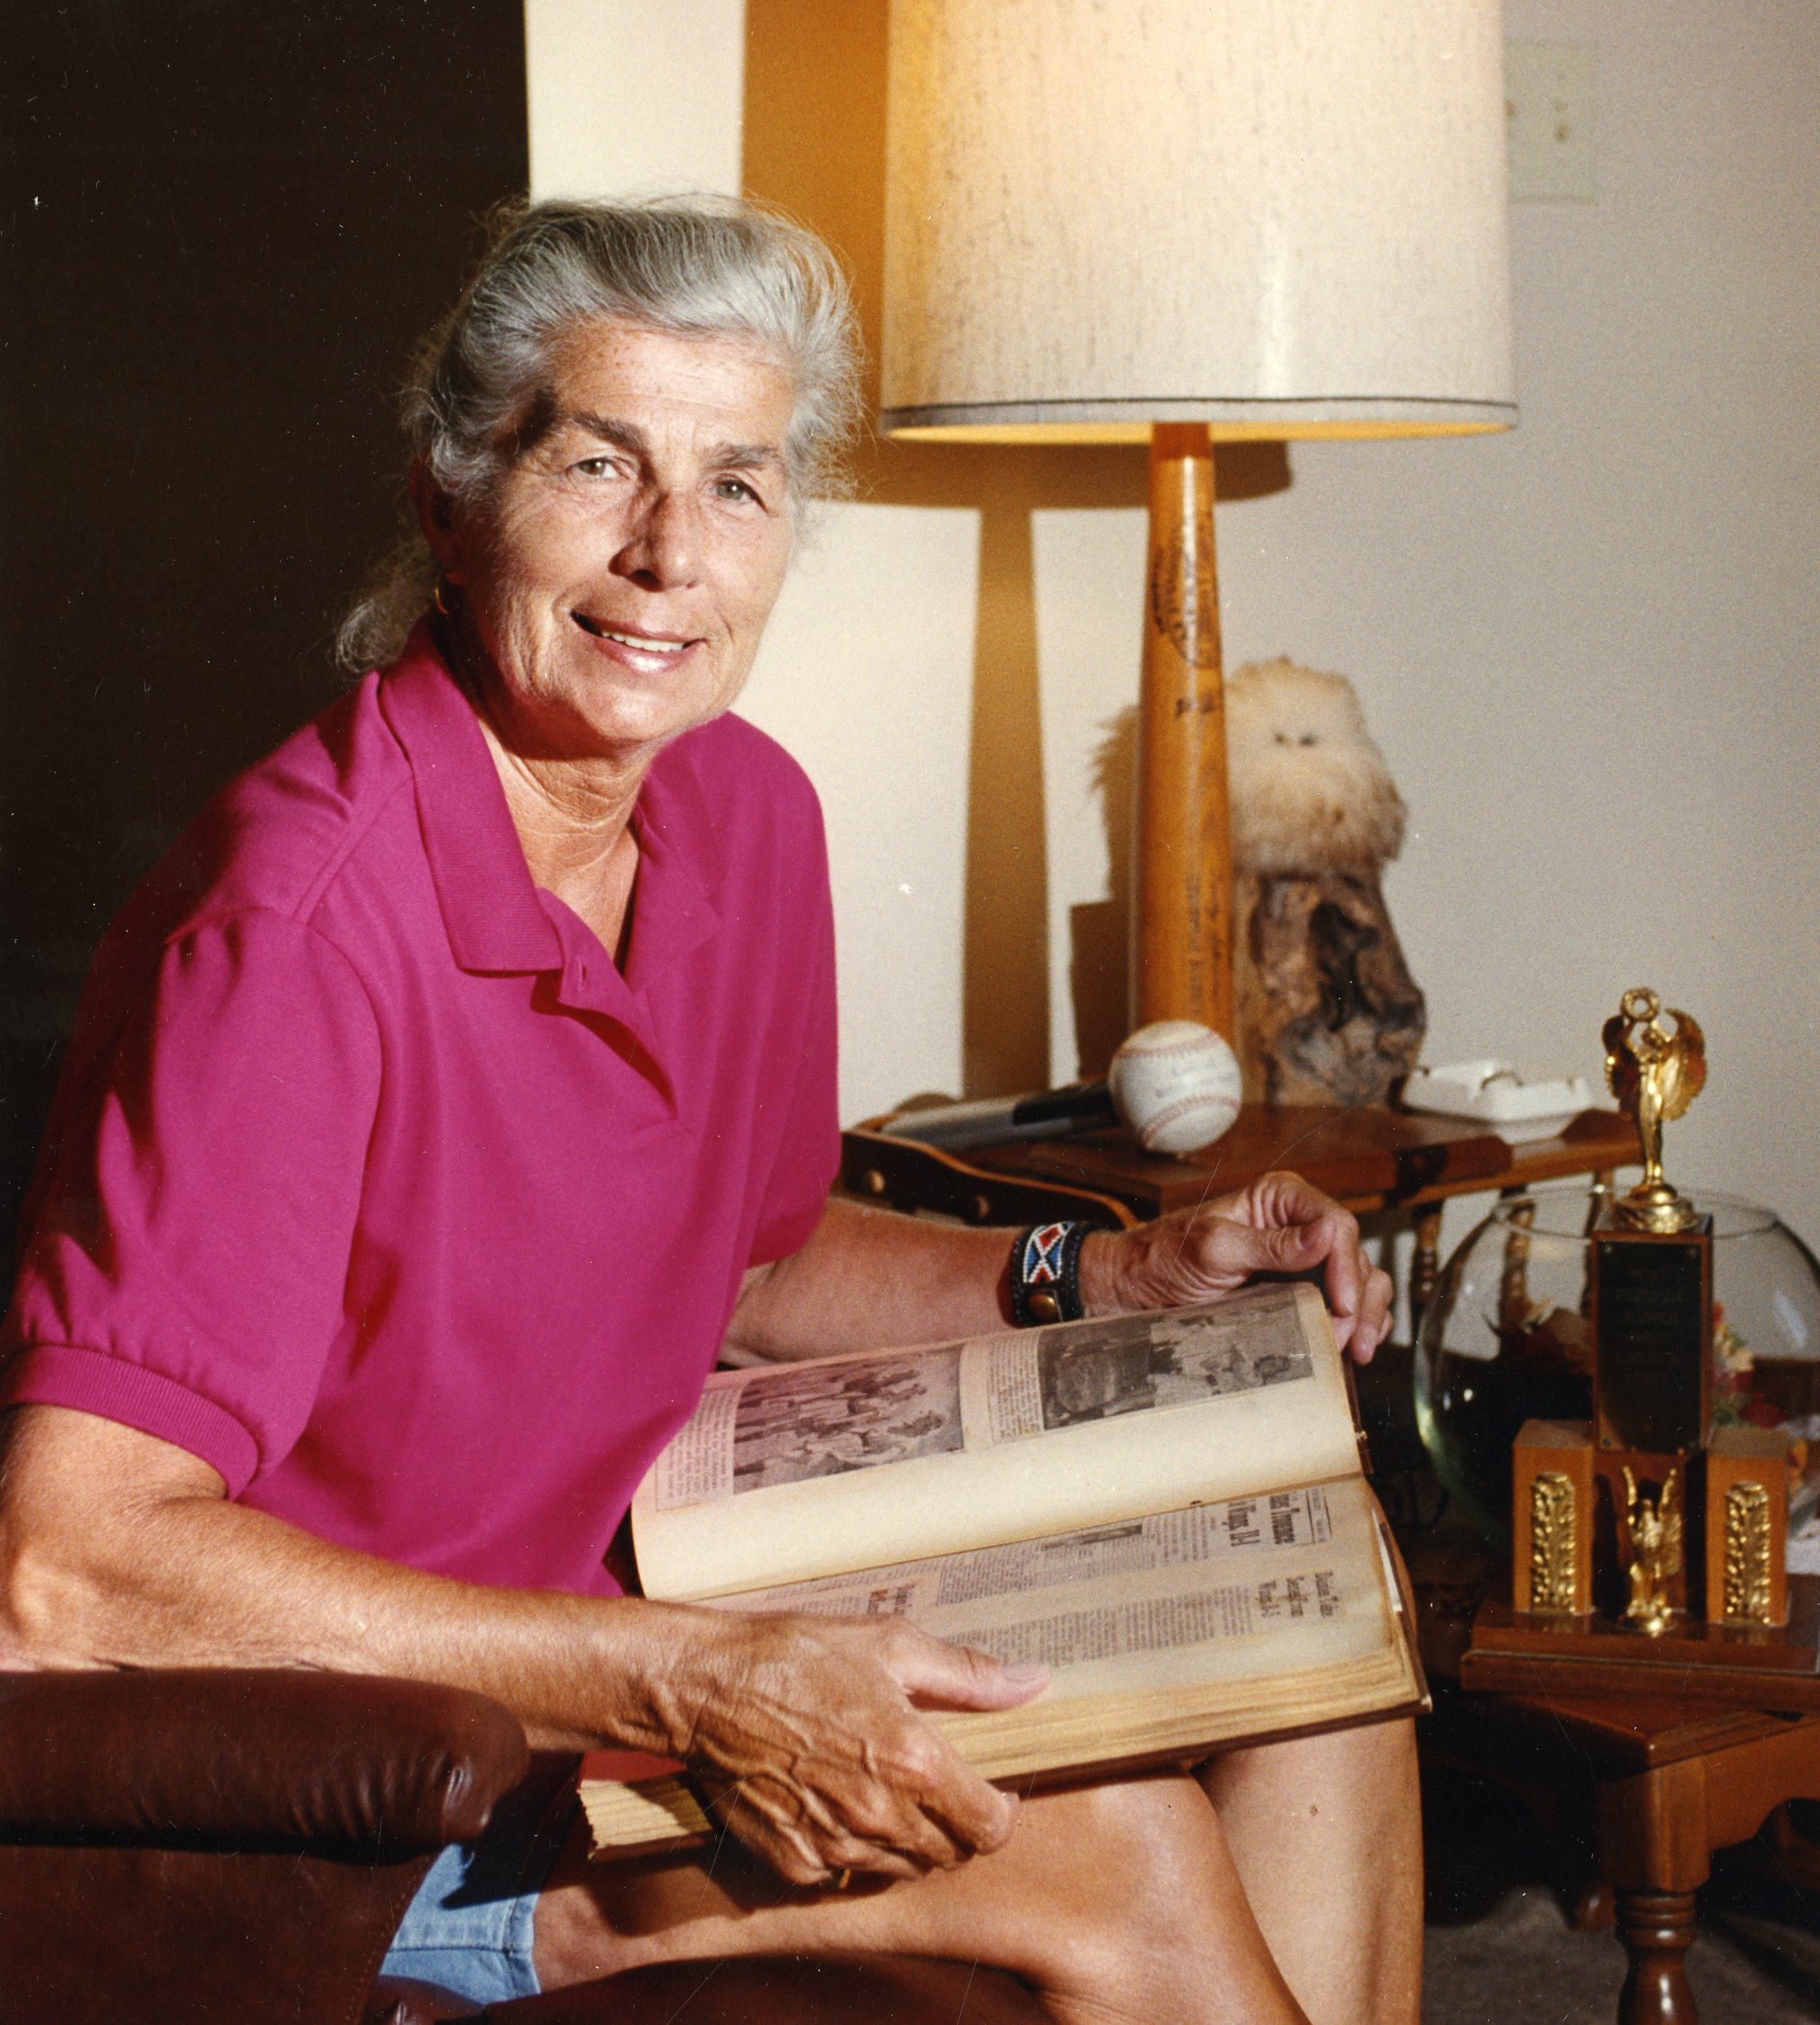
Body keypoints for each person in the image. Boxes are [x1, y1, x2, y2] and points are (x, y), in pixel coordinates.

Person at [0, 196, 1413, 2024]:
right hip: (348, 1796)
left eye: (738, 483)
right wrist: (691, 1680)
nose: (671, 554)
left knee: (1328, 1649)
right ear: (450, 497)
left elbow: (753, 1251)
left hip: (603, 1663)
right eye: (600, 464)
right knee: (1121, 1841)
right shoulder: (296, 926)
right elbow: (64, 1561)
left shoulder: (743, 817)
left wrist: (1116, 1269)